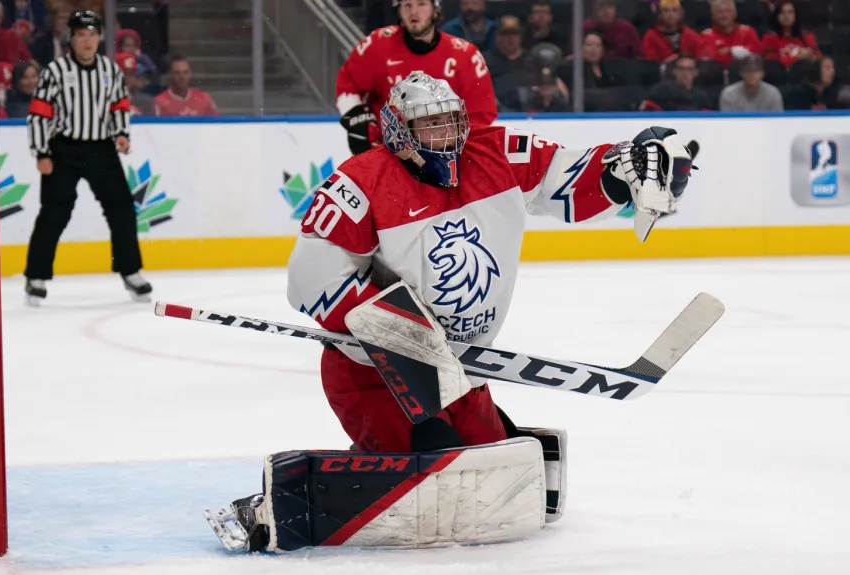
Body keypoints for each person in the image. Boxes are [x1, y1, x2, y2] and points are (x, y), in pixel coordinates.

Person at [208, 71, 694, 554]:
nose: (445, 135)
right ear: (399, 131)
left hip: (459, 371)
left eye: (450, 122)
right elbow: (311, 279)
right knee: (431, 486)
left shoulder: (495, 151)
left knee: (499, 481)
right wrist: (407, 338)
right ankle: (273, 507)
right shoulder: (361, 181)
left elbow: (569, 177)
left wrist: (620, 169)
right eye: (429, 125)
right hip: (376, 374)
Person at [24, 10, 152, 304]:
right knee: (55, 212)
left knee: (121, 209)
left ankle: (130, 271)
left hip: (102, 148)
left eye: (92, 35)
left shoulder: (110, 70)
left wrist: (121, 134)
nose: (87, 41)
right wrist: (41, 152)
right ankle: (36, 276)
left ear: (99, 38)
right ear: (72, 38)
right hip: (64, 148)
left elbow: (119, 104)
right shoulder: (55, 71)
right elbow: (39, 114)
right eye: (81, 35)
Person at [335, 0, 497, 156]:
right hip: (384, 154)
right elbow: (348, 85)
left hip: (444, 156)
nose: (414, 11)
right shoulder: (378, 45)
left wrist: (452, 144)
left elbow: (480, 113)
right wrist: (358, 120)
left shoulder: (465, 55)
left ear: (435, 8)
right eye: (407, 4)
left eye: (421, 4)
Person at [700, 0, 761, 68]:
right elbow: (711, 62)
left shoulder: (748, 31)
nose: (724, 15)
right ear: (713, 16)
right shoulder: (707, 35)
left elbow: (755, 57)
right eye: (720, 12)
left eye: (728, 11)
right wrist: (740, 53)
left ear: (735, 14)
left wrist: (730, 51)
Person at [642, 0, 706, 64]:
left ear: (680, 14)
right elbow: (650, 63)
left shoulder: (690, 35)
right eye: (666, 10)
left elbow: (701, 59)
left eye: (674, 10)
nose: (670, 14)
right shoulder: (651, 36)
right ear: (660, 14)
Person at [641, 54, 714, 111]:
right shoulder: (662, 90)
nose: (685, 72)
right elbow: (646, 109)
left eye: (689, 69)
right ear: (675, 71)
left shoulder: (701, 96)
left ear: (696, 72)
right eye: (681, 68)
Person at [153, 56, 219, 116]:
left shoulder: (204, 98)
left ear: (190, 74)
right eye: (177, 73)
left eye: (185, 72)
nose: (182, 77)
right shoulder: (160, 102)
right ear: (169, 74)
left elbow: (218, 124)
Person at [762, 0, 817, 69]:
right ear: (776, 16)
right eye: (782, 12)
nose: (786, 16)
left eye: (790, 12)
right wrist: (797, 57)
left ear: (795, 15)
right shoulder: (769, 37)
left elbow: (818, 59)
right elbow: (772, 65)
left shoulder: (807, 36)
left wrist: (810, 55)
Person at [719, 54, 783, 111]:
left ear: (763, 73)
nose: (752, 74)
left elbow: (778, 121)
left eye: (756, 70)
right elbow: (728, 122)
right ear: (741, 73)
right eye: (748, 70)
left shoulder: (773, 93)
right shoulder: (729, 94)